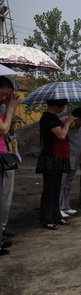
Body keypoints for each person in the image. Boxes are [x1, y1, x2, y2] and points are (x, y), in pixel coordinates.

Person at [36, 99, 73, 230]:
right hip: (51, 156)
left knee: (57, 188)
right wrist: (68, 122)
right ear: (58, 105)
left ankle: (56, 215)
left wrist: (68, 125)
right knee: (50, 189)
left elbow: (65, 134)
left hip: (59, 156)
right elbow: (61, 135)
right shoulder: (48, 118)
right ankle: (46, 219)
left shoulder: (54, 118)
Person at [0, 78, 19, 253]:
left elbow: (8, 131)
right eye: (4, 94)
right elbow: (3, 129)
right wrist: (11, 108)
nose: (5, 98)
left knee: (4, 198)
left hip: (4, 156)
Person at [59, 107, 81, 217]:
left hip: (75, 158)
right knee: (61, 182)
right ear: (74, 118)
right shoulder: (63, 122)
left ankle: (66, 205)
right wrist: (69, 128)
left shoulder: (80, 127)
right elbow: (62, 138)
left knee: (68, 183)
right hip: (65, 157)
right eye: (80, 120)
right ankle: (59, 206)